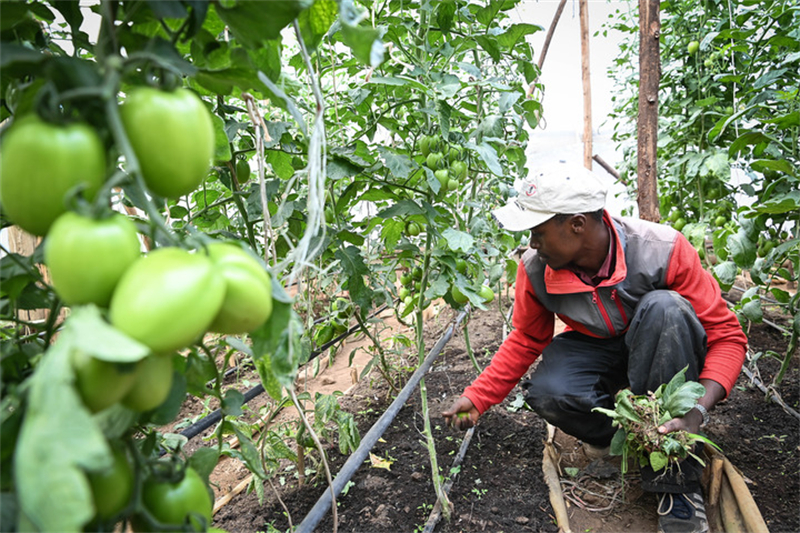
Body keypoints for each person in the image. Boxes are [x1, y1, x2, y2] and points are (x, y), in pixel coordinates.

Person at [442, 161, 747, 533]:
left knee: (665, 308)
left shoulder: (661, 249)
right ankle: (633, 440)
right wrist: (478, 397)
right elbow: (525, 337)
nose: (532, 243)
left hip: (666, 349)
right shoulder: (536, 267)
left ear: (576, 225)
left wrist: (698, 410)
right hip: (599, 347)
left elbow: (727, 337)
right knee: (551, 391)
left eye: (537, 232)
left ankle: (676, 479)